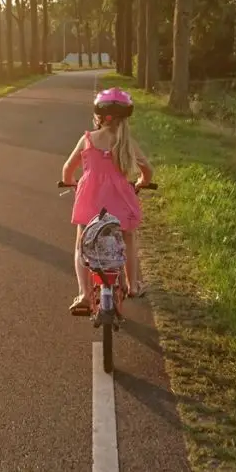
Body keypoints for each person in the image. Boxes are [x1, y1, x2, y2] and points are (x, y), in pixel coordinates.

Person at [61, 87, 153, 312]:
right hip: (120, 202)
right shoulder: (126, 143)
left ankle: (84, 293)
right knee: (128, 237)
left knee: (81, 242)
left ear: (98, 117)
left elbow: (67, 170)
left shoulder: (88, 140)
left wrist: (71, 182)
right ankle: (132, 286)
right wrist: (141, 182)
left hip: (90, 202)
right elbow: (147, 170)